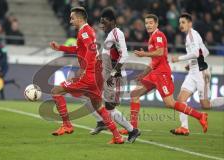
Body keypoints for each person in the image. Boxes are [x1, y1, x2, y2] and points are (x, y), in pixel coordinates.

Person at [119, 14, 208, 135]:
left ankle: (200, 116)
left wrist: (144, 54)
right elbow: (154, 61)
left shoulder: (159, 35)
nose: (148, 25)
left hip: (162, 74)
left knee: (170, 103)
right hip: (154, 73)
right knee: (134, 94)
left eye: (151, 23)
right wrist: (143, 74)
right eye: (146, 23)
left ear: (156, 24)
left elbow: (160, 53)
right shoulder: (152, 38)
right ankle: (132, 129)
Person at [49, 7, 124, 144]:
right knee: (99, 107)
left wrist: (84, 70)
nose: (70, 21)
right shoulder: (86, 31)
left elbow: (91, 50)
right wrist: (60, 47)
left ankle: (67, 125)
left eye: (72, 18)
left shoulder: (84, 31)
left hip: (89, 74)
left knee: (56, 91)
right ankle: (117, 136)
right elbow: (79, 49)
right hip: (95, 75)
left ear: (79, 18)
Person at [89, 7, 140, 143]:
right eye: (101, 22)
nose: (102, 25)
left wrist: (112, 73)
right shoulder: (110, 35)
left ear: (112, 21)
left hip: (115, 78)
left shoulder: (117, 33)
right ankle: (104, 124)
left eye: (104, 22)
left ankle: (132, 130)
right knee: (95, 101)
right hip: (108, 77)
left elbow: (124, 55)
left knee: (109, 108)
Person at [170, 13, 224, 136]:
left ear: (190, 23)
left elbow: (195, 53)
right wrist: (191, 64)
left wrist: (179, 58)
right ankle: (184, 128)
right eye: (180, 23)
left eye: (183, 22)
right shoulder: (191, 35)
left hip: (201, 73)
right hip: (193, 72)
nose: (181, 25)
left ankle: (199, 118)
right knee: (180, 99)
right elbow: (205, 52)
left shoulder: (192, 35)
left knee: (206, 105)